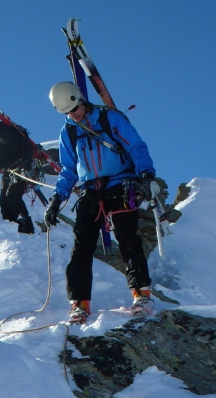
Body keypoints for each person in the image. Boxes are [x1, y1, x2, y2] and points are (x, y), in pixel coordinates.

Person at [43, 81, 158, 323]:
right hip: (91, 191)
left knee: (128, 239)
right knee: (81, 247)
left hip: (121, 184)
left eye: (75, 109)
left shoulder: (109, 119)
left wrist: (146, 175)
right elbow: (68, 170)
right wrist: (57, 199)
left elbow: (136, 147)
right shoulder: (69, 132)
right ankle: (79, 304)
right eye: (67, 113)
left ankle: (142, 295)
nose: (74, 115)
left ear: (80, 100)